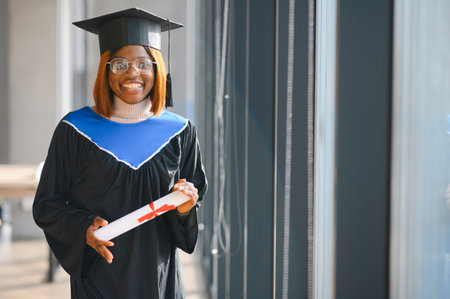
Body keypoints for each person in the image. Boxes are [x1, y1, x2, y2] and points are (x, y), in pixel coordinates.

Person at [32, 8, 207, 299]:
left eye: (143, 63)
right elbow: (47, 204)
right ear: (105, 69)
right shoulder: (75, 130)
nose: (132, 73)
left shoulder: (180, 132)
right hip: (98, 281)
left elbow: (188, 211)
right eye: (120, 63)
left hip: (160, 282)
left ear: (157, 69)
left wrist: (185, 206)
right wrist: (83, 229)